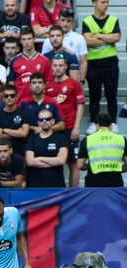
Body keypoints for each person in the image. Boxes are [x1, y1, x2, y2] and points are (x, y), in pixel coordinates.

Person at [46, 54, 85, 187]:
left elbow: (80, 106)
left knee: (73, 163)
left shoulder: (74, 84)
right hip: (54, 129)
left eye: (61, 65)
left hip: (69, 128)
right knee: (54, 162)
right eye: (55, 65)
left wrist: (77, 127)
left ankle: (73, 193)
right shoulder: (47, 85)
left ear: (66, 66)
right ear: (51, 67)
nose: (58, 68)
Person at [82, 0, 121, 134]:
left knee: (111, 95)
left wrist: (98, 35)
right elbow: (89, 41)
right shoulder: (87, 21)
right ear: (94, 3)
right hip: (94, 64)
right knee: (95, 96)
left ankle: (113, 123)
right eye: (103, 2)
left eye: (107, 2)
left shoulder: (113, 19)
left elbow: (117, 37)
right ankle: (94, 123)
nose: (106, 5)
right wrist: (107, 38)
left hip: (111, 63)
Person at [78, 113, 127, 188]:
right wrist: (119, 168)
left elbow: (80, 165)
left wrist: (92, 166)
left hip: (93, 182)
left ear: (96, 126)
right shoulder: (122, 139)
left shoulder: (87, 140)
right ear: (111, 126)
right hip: (115, 181)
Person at [24, 109, 68, 187]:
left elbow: (61, 161)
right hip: (35, 185)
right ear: (38, 123)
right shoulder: (32, 138)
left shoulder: (61, 138)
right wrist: (54, 162)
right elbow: (30, 162)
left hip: (56, 184)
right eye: (41, 120)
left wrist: (39, 158)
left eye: (47, 119)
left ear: (53, 121)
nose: (44, 121)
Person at [0, 84, 30, 156]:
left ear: (16, 97)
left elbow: (24, 133)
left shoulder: (23, 113)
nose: (9, 98)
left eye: (12, 96)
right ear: (3, 98)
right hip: (1, 153)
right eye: (6, 96)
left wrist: (4, 130)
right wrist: (17, 132)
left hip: (19, 152)